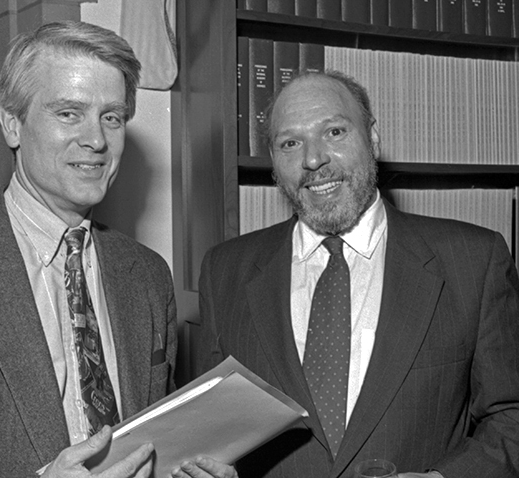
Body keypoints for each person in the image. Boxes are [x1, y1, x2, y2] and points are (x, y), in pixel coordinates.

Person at [0, 21, 235, 478]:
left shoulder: (148, 275)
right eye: (69, 113)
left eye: (111, 116)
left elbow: (153, 438)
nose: (96, 140)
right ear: (12, 124)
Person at [196, 69, 519, 478]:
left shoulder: (474, 261)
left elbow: (510, 416)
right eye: (290, 143)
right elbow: (211, 430)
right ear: (274, 163)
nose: (313, 159)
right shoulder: (224, 271)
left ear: (373, 138)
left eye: (334, 132)